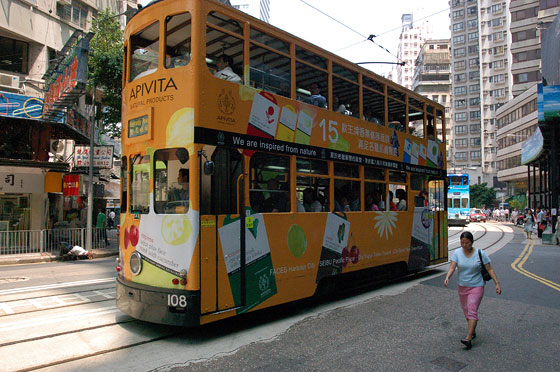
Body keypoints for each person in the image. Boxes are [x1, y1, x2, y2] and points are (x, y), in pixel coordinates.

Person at [443, 231, 501, 350]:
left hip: (477, 286)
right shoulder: (457, 253)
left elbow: (489, 269)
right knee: (467, 312)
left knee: (472, 309)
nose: (464, 245)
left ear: (472, 242)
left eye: (467, 243)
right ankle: (472, 330)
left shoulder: (480, 253)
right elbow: (453, 266)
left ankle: (468, 338)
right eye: (462, 242)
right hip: (462, 286)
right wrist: (448, 277)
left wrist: (497, 284)